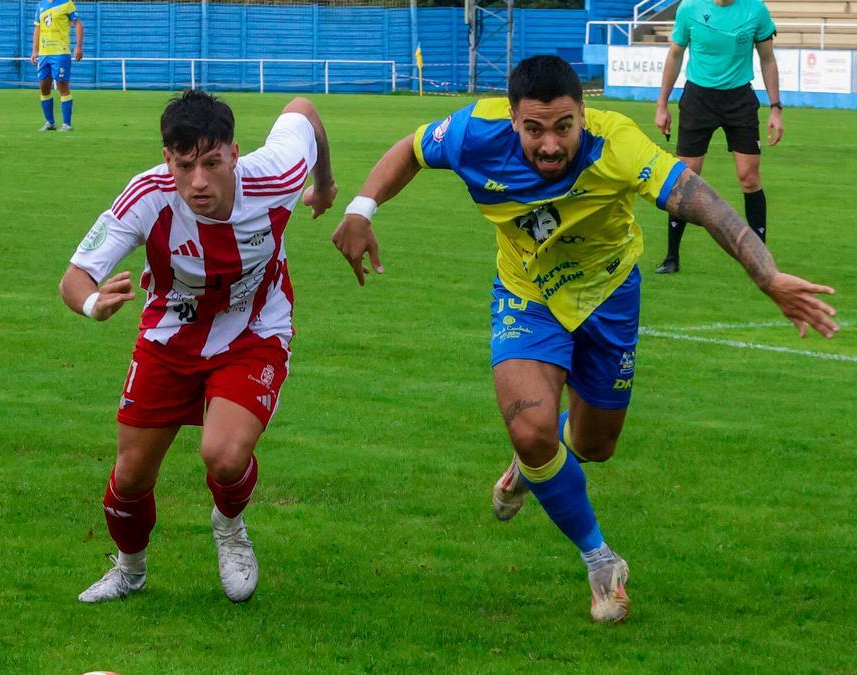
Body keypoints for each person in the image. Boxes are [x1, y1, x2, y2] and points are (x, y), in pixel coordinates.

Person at [331, 55, 836, 623]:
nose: (550, 144)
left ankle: (532, 466)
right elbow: (411, 149)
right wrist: (360, 207)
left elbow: (703, 201)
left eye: (564, 127)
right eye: (534, 129)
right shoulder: (474, 131)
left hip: (610, 296)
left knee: (594, 446)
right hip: (528, 296)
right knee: (529, 427)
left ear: (582, 115)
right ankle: (601, 560)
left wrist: (765, 273)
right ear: (513, 119)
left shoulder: (616, 141)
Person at [61, 90, 337, 603]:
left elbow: (302, 110)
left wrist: (324, 184)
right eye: (185, 165)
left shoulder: (276, 173)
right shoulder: (147, 195)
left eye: (212, 162)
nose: (199, 181)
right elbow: (75, 277)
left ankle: (229, 526)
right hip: (170, 336)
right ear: (168, 159)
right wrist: (94, 304)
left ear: (235, 153)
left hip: (255, 331)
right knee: (131, 476)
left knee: (224, 456)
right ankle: (130, 569)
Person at [654, 0, 783, 273]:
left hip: (739, 98)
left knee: (749, 178)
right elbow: (675, 55)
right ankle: (671, 256)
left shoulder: (755, 10)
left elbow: (768, 59)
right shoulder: (689, 8)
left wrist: (775, 108)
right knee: (685, 177)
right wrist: (662, 105)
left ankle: (759, 260)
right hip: (698, 98)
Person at [30, 0, 84, 132]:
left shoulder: (66, 3)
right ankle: (50, 122)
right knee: (43, 87)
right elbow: (37, 28)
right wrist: (35, 50)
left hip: (60, 52)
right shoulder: (41, 5)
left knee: (62, 86)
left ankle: (66, 124)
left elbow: (78, 24)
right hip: (44, 54)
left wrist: (78, 46)